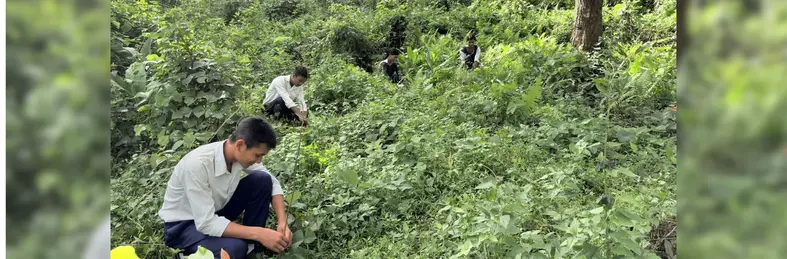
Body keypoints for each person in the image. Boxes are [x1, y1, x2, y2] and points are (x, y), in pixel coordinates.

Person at [158, 117, 293, 259]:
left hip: (215, 211)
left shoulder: (237, 154)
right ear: (240, 145)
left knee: (262, 180)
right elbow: (206, 223)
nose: (259, 161)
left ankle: (252, 246)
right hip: (184, 226)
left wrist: (282, 222)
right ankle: (185, 254)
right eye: (257, 155)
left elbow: (273, 183)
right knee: (234, 249)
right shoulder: (198, 165)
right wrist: (259, 233)